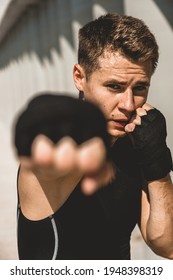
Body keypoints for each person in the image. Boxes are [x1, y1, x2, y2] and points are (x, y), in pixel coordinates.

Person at [14, 13, 173, 260]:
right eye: (114, 87)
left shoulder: (135, 142)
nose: (129, 105)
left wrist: (158, 164)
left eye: (140, 88)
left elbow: (167, 245)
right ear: (80, 77)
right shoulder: (63, 146)